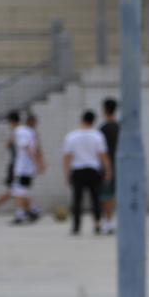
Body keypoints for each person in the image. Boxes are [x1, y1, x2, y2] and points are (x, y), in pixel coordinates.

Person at [62, 110, 112, 236]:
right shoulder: (97, 136)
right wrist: (108, 170)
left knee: (77, 199)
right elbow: (103, 155)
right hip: (93, 170)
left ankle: (76, 226)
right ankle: (97, 224)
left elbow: (67, 157)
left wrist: (67, 173)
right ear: (93, 121)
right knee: (95, 199)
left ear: (82, 119)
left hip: (77, 170)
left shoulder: (72, 136)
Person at [9, 113, 44, 225]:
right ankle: (33, 210)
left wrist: (37, 162)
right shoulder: (29, 132)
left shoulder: (22, 131)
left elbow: (27, 147)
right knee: (21, 191)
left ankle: (22, 214)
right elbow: (34, 148)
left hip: (24, 168)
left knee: (19, 191)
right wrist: (38, 163)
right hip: (26, 167)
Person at [99, 98, 120, 235]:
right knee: (113, 195)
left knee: (106, 195)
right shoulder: (120, 127)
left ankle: (108, 222)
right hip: (119, 165)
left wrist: (107, 169)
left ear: (105, 110)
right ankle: (110, 222)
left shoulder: (103, 129)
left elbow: (101, 152)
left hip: (106, 165)